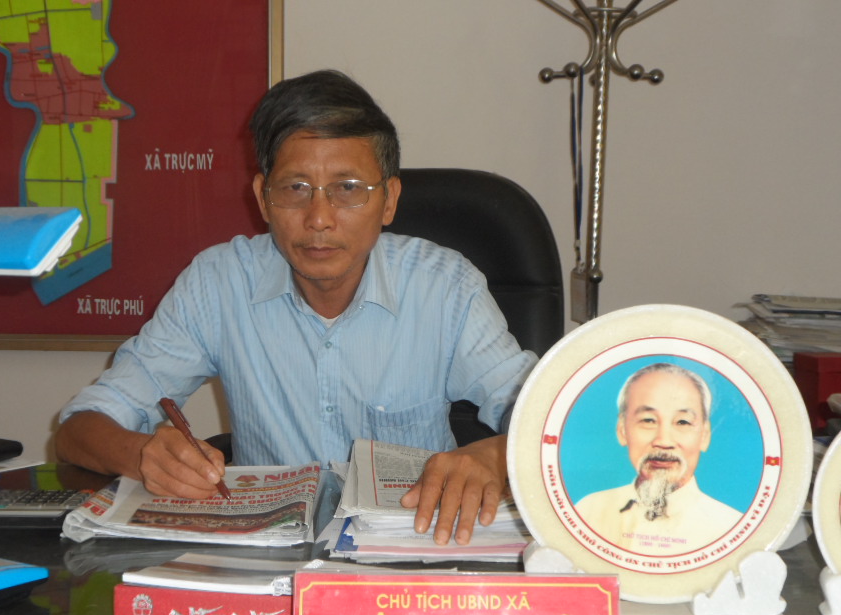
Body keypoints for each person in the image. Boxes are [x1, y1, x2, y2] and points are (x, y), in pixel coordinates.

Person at [55, 69, 537, 545]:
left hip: (408, 555)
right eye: (295, 189)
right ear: (263, 199)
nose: (319, 218)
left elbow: (556, 420)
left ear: (389, 200)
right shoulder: (218, 284)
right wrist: (142, 455)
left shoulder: (445, 288)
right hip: (266, 559)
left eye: (348, 188)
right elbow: (79, 428)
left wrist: (495, 458)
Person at [574, 362, 743, 552]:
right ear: (622, 430)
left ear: (704, 435)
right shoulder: (588, 512)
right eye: (648, 420)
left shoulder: (731, 531)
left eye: (682, 422)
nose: (664, 441)